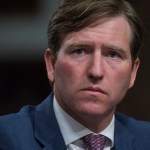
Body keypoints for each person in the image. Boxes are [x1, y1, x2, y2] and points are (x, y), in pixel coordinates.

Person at [0, 0, 150, 149]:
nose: (96, 71)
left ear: (133, 72)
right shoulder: (6, 138)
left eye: (112, 54)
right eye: (80, 51)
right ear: (52, 64)